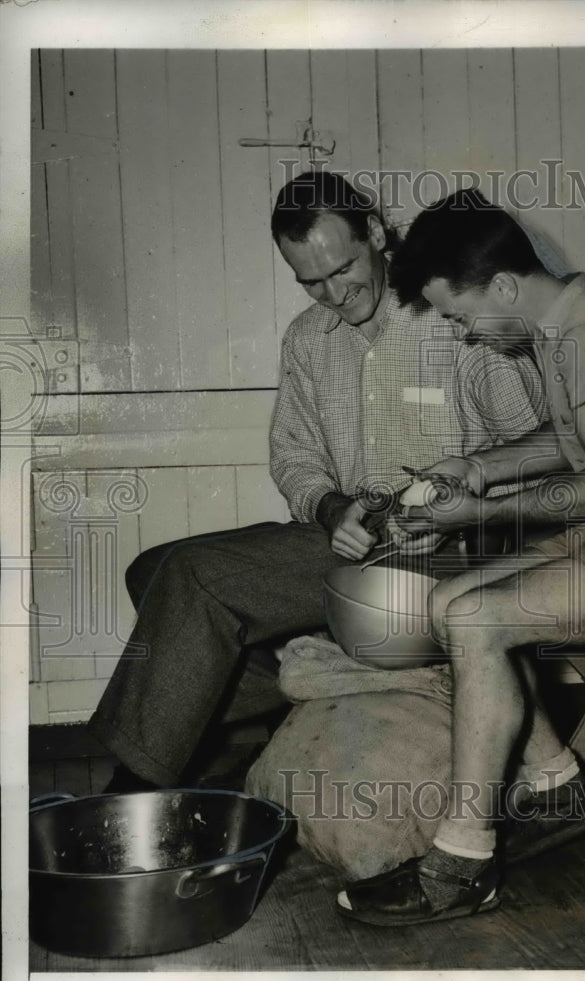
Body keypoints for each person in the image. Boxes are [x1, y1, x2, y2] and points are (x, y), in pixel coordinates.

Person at [336, 188, 585, 926]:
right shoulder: (565, 329)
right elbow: (576, 441)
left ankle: (461, 863)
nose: (467, 335)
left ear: (507, 286)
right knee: (447, 606)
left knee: (478, 619)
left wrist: (479, 511)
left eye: (461, 316)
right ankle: (554, 783)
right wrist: (476, 467)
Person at [87, 172, 547, 792]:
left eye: (343, 269)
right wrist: (331, 507)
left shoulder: (453, 316)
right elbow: (295, 457)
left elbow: (539, 445)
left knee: (194, 579)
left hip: (450, 556)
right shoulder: (307, 339)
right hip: (353, 549)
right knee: (151, 569)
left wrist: (462, 503)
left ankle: (134, 790)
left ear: (377, 235)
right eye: (311, 280)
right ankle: (221, 718)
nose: (332, 292)